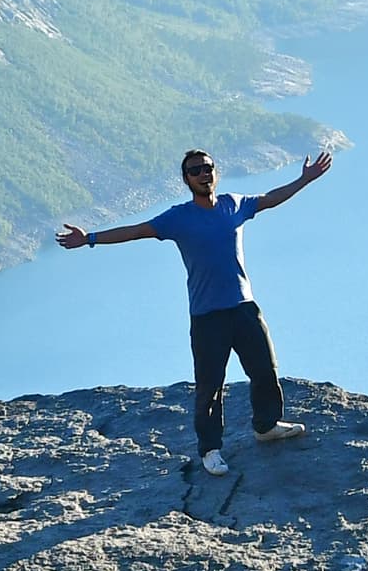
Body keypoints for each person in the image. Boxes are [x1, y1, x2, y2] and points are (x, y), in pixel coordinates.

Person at [60, 146, 335, 473]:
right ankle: (210, 449)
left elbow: (271, 198)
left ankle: (266, 426)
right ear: (186, 179)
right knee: (210, 384)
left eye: (208, 168)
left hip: (244, 307)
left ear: (214, 172)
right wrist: (89, 238)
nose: (204, 174)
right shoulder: (178, 218)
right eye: (195, 170)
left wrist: (304, 179)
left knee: (264, 370)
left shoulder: (234, 204)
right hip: (207, 316)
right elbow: (134, 232)